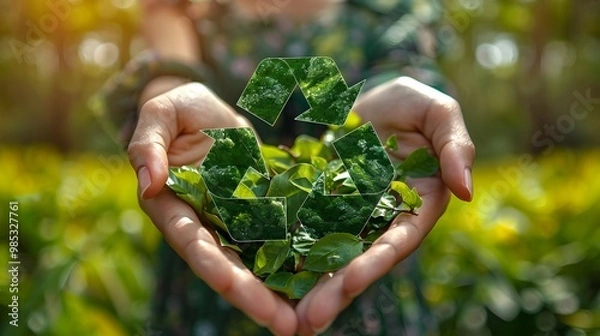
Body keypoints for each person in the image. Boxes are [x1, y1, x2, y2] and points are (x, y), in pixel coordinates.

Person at [100, 0, 475, 334]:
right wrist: (168, 90)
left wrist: (400, 108)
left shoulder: (386, 9)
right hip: (213, 252)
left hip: (368, 275)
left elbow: (401, 64)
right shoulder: (188, 11)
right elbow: (172, 61)